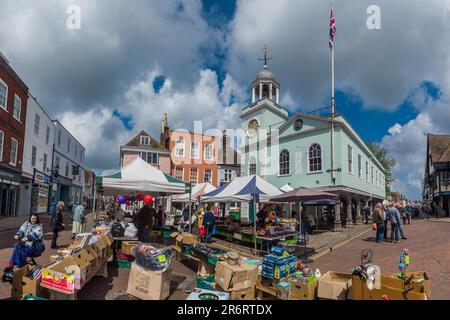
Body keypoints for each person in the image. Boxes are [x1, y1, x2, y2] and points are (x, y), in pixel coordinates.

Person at [2, 214, 45, 282]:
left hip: (35, 245)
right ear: (30, 218)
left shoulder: (39, 226)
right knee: (16, 249)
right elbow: (22, 230)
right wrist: (18, 235)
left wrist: (28, 237)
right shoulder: (26, 223)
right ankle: (10, 267)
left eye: (35, 219)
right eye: (32, 218)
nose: (33, 220)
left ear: (37, 219)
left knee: (22, 252)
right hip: (25, 243)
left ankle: (21, 268)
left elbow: (36, 234)